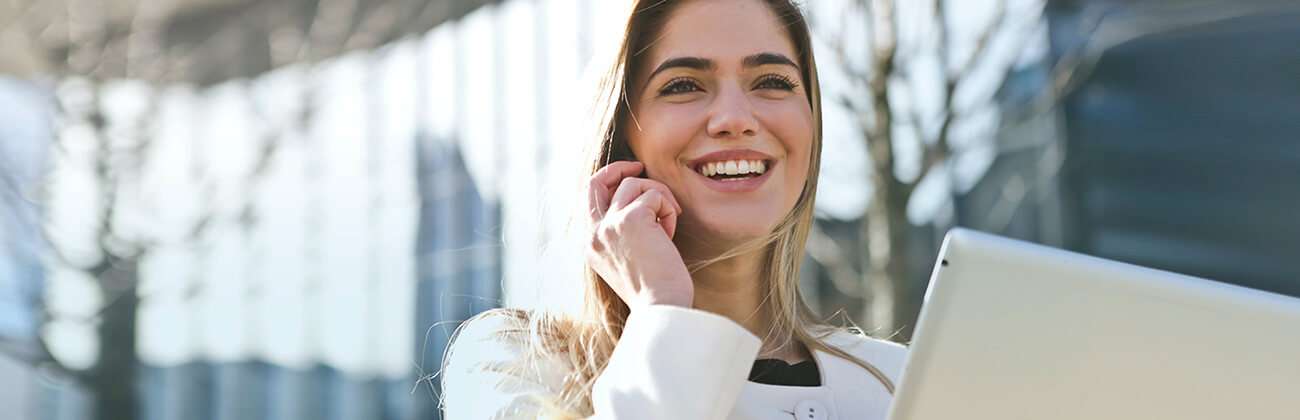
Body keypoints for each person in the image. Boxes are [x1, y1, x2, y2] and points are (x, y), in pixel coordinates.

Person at [441, 1, 907, 418]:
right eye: (684, 85)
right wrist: (662, 311)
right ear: (620, 136)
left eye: (771, 81)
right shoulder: (515, 365)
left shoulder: (900, 380)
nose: (735, 120)